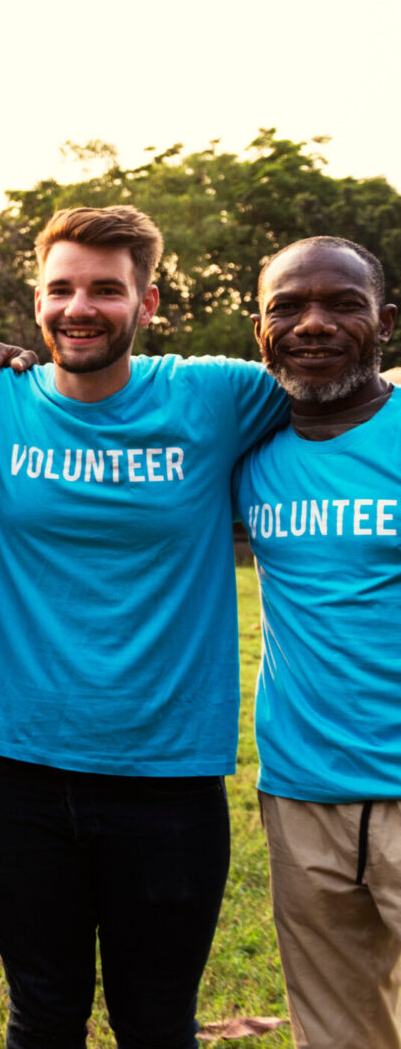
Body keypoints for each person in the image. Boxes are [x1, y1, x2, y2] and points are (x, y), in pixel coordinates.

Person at [0, 205, 284, 1048]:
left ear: (149, 302)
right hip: (16, 770)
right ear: (34, 300)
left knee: (157, 1021)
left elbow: (350, 380)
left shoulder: (216, 394)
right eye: (60, 288)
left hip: (168, 774)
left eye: (106, 289)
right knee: (43, 1014)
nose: (79, 307)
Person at [233, 236, 401, 1048]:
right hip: (300, 793)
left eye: (343, 304)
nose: (313, 324)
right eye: (287, 307)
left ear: (387, 323)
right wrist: (12, 361)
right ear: (258, 327)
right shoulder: (244, 444)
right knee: (339, 1035)